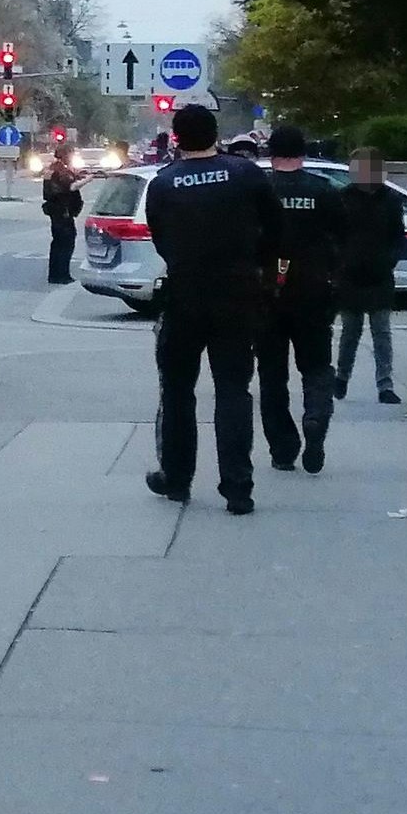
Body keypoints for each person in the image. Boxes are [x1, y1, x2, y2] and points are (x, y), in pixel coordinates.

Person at [140, 102, 275, 511]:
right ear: (216, 134)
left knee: (177, 389)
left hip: (184, 296)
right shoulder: (246, 174)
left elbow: (160, 238)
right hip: (237, 295)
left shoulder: (163, 184)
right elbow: (274, 229)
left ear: (177, 138)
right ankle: (238, 487)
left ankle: (177, 478)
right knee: (233, 389)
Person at [253, 124, 347, 474]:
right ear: (303, 154)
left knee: (272, 375)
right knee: (317, 367)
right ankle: (316, 416)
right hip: (313, 291)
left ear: (271, 154)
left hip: (268, 293)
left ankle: (283, 448)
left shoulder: (261, 192)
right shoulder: (323, 191)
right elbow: (343, 240)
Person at [328, 147, 407, 406]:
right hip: (350, 275)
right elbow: (333, 235)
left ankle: (385, 384)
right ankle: (341, 377)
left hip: (380, 275)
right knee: (350, 332)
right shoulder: (343, 198)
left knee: (381, 332)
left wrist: (389, 260)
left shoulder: (391, 200)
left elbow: (398, 235)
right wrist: (340, 263)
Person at [40, 155, 86, 284]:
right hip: (63, 212)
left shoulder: (52, 169)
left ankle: (54, 274)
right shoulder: (61, 171)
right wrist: (87, 180)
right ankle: (63, 274)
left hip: (56, 212)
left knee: (57, 243)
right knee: (66, 243)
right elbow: (71, 187)